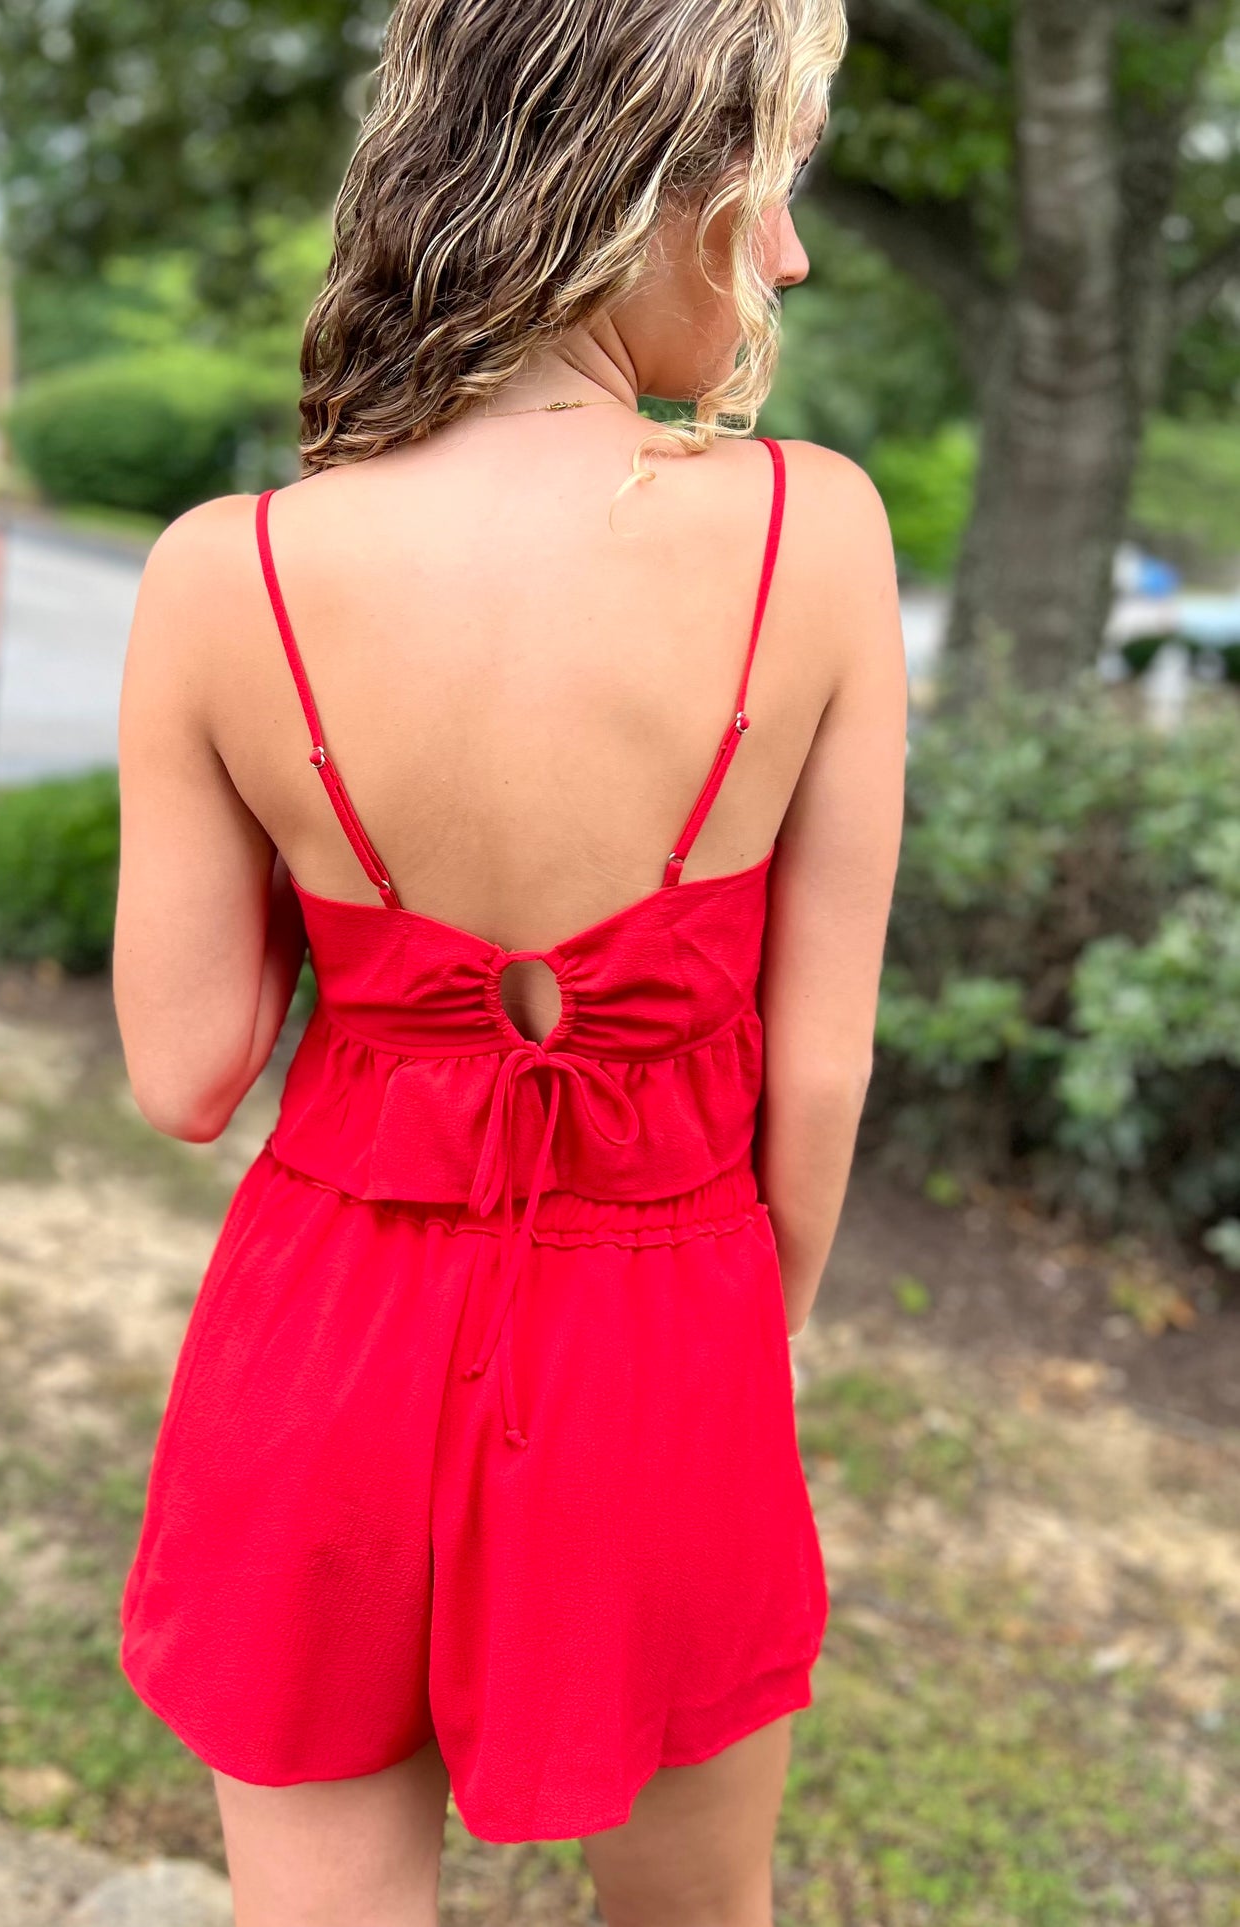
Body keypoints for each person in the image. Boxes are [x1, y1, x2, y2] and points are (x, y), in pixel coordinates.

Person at [113, 0, 904, 1920]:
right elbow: (822, 1072)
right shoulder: (814, 533)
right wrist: (737, 1310)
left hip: (324, 1334)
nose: (787, 250)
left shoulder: (226, 572)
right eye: (771, 184)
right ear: (643, 186)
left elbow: (188, 1071)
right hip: (667, 1324)